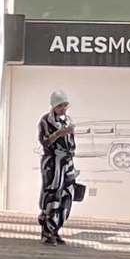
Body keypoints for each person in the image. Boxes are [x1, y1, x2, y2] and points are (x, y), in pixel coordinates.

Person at [38, 90, 79, 244]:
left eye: (65, 105)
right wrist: (58, 134)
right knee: (52, 195)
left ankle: (56, 229)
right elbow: (45, 142)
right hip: (53, 163)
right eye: (60, 105)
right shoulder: (46, 121)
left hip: (67, 163)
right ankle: (47, 231)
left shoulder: (67, 121)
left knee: (66, 195)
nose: (63, 108)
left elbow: (71, 143)